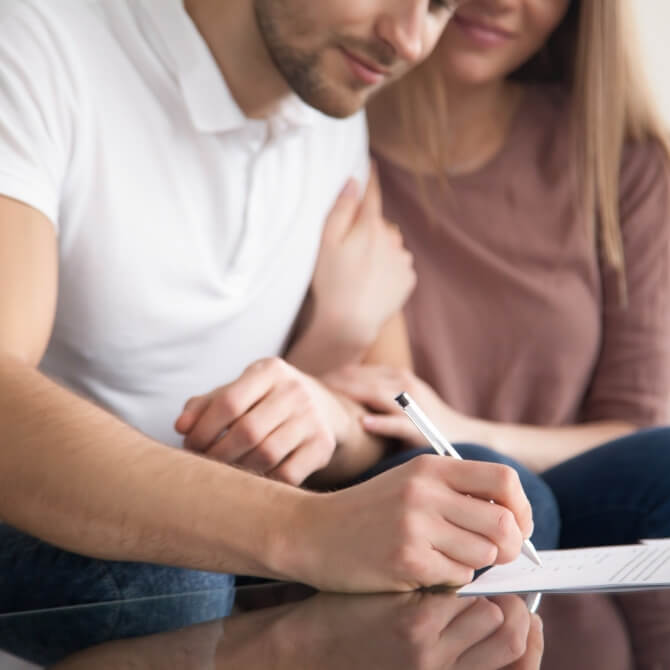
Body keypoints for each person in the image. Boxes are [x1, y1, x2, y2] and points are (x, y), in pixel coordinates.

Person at [0, 0, 542, 611]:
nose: (412, 41)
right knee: (170, 586)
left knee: (495, 506)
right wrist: (304, 530)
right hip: (60, 514)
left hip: (251, 505)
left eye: (441, 6)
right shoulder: (34, 44)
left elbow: (382, 409)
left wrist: (327, 412)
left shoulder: (333, 94)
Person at [315, 0, 670, 667]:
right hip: (387, 532)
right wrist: (340, 328)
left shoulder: (619, 159)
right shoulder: (323, 147)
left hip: (568, 543)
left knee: (526, 489)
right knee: (495, 503)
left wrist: (459, 425)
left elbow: (637, 431)